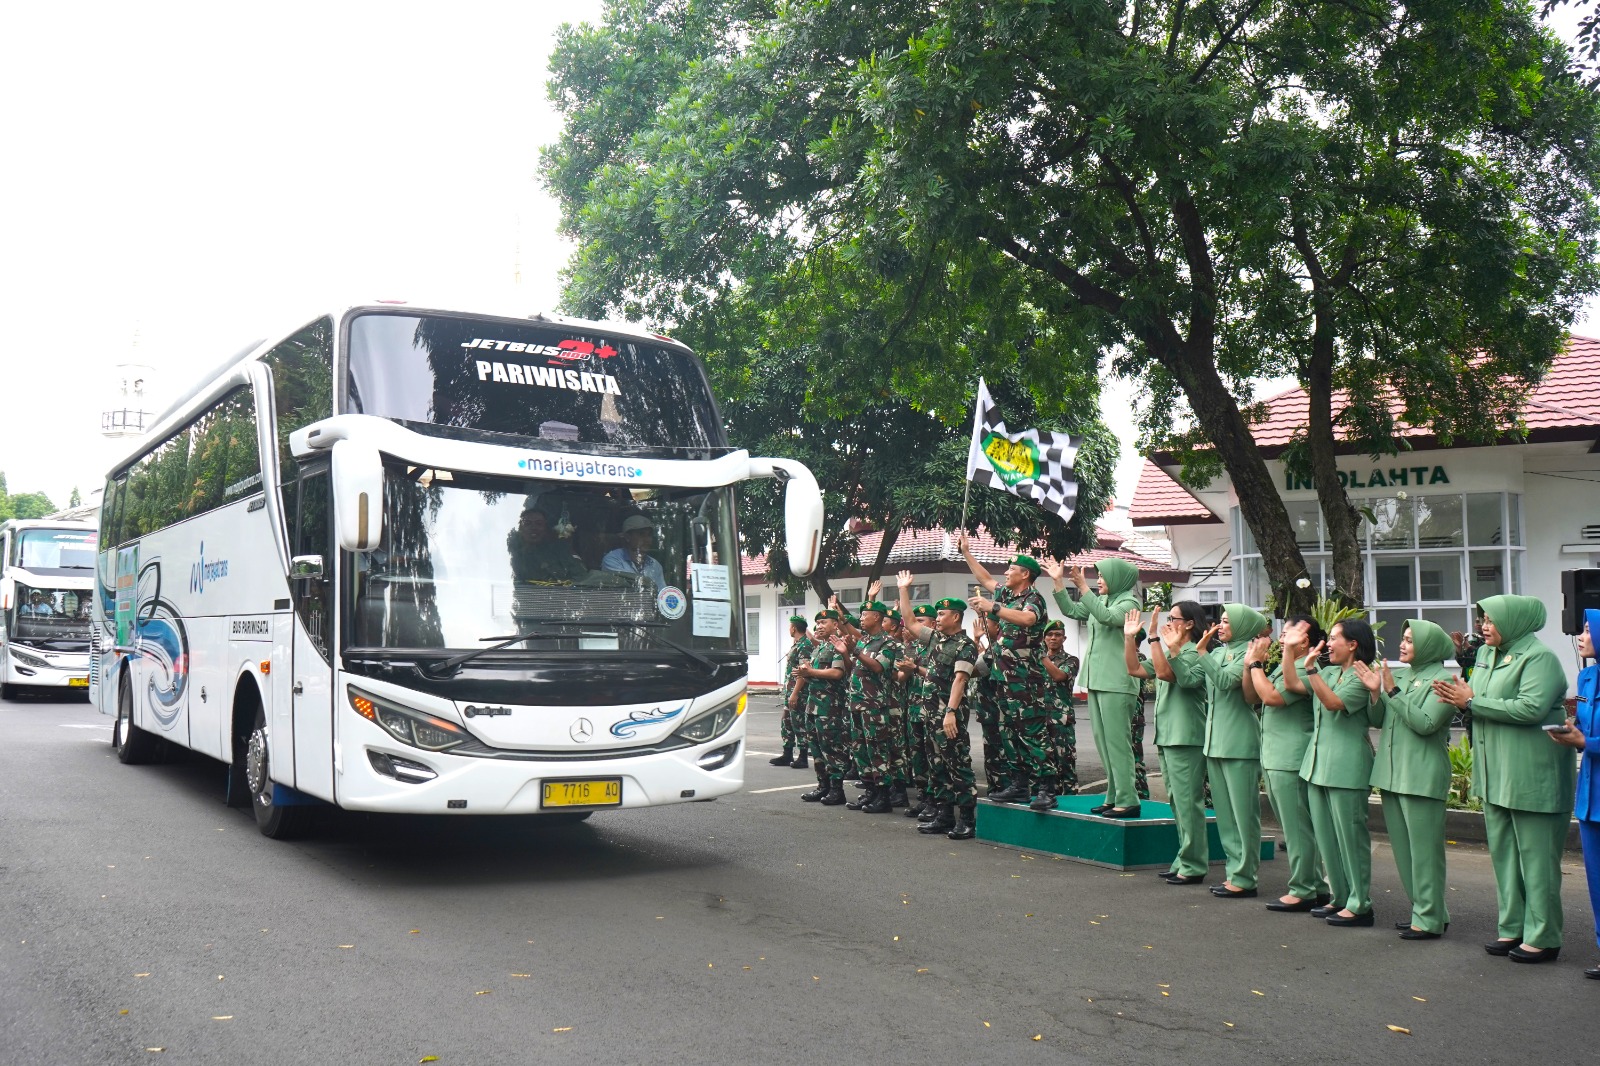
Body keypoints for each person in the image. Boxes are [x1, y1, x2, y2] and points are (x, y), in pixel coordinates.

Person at [1433, 595, 1574, 962]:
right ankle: (1512, 928)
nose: (1484, 626)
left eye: (1491, 619)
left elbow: (1531, 708)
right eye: (1482, 619)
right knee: (1506, 857)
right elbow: (1474, 700)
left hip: (1531, 775)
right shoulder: (1485, 655)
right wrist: (1462, 701)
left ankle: (1543, 936)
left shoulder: (1539, 658)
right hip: (1495, 772)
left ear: (1514, 621)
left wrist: (1470, 702)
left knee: (1538, 859)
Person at [1353, 619, 1456, 940]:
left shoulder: (1444, 679)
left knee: (1425, 853)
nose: (1403, 645)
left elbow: (1425, 723)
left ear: (1428, 646)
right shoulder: (1400, 676)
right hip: (1393, 775)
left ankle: (1428, 919)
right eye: (1404, 638)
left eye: (1410, 640)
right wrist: (1375, 693)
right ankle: (1428, 911)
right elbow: (1379, 719)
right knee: (1404, 852)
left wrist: (1392, 691)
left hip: (1422, 776)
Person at [1283, 618, 1380, 926]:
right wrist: (1288, 652)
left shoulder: (1361, 675)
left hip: (1348, 766)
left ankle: (1360, 902)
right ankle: (1340, 896)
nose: (1329, 643)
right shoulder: (1329, 672)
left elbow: (1333, 703)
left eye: (1336, 637)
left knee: (1351, 839)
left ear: (1353, 644)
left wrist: (1311, 670)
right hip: (1319, 766)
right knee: (1327, 839)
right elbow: (1292, 685)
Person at [1245, 615, 1332, 913]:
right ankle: (1315, 886)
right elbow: (1253, 694)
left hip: (1290, 757)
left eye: (1292, 630)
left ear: (1306, 640)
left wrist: (1256, 665)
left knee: (1298, 829)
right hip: (1276, 756)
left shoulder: (1308, 669)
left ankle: (1303, 888)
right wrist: (1253, 664)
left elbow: (1270, 697)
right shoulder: (1287, 667)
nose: (1283, 635)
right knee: (1294, 827)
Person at [960, 535, 1054, 810]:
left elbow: (1028, 619)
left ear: (1025, 574)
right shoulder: (1005, 594)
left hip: (1025, 680)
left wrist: (994, 608)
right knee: (1010, 733)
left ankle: (1046, 788)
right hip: (1003, 678)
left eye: (1012, 569)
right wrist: (966, 552)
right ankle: (1019, 786)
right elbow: (986, 578)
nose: (1006, 573)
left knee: (1032, 733)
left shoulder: (1033, 598)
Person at [1044, 557, 1143, 817]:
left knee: (1118, 743)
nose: (1098, 580)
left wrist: (1084, 588)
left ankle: (1128, 799)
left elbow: (1108, 618)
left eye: (1103, 576)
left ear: (1119, 578)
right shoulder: (1103, 600)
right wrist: (1058, 581)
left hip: (1118, 681)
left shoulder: (1129, 603)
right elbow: (1073, 611)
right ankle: (1113, 795)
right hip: (1098, 679)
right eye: (1097, 576)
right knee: (1104, 742)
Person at [1126, 603, 1210, 886]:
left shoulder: (1195, 652)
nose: (1167, 622)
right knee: (1177, 802)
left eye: (1173, 618)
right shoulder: (1171, 650)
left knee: (1188, 804)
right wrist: (1130, 637)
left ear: (1189, 624)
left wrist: (1156, 641)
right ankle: (1183, 859)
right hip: (1169, 735)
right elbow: (1135, 669)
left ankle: (1194, 863)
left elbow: (1173, 676)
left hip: (1187, 736)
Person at [897, 570, 980, 840]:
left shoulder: (965, 645)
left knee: (958, 765)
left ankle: (967, 819)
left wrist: (951, 712)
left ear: (955, 616)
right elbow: (910, 622)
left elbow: (960, 680)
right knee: (938, 766)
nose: (938, 618)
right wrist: (903, 590)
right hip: (930, 715)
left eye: (942, 614)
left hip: (948, 717)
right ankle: (944, 816)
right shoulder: (936, 639)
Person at [1196, 603, 1270, 897]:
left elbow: (1226, 682)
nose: (1221, 625)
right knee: (1225, 815)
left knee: (1243, 815)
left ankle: (1246, 876)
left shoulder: (1247, 653)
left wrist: (1201, 653)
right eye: (1221, 620)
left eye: (1227, 621)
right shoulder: (1216, 652)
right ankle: (1233, 872)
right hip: (1215, 741)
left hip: (1240, 742)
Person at [1547, 608, 1600, 980]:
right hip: (1590, 797)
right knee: (1596, 880)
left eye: (1586, 630)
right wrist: (1571, 733)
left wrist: (1588, 742)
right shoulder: (1587, 676)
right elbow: (1583, 727)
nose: (1580, 637)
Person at [834, 598, 902, 814]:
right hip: (856, 703)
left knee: (877, 750)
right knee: (860, 750)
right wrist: (846, 653)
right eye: (861, 615)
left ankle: (883, 796)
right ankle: (870, 792)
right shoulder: (863, 641)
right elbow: (852, 668)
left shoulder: (888, 643)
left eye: (865, 615)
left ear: (877, 618)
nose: (862, 618)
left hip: (874, 706)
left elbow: (877, 667)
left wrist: (854, 651)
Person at [793, 610, 851, 806]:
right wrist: (804, 673)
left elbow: (836, 673)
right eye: (817, 623)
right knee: (816, 747)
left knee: (831, 748)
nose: (819, 626)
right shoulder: (819, 648)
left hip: (830, 707)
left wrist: (811, 671)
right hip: (813, 705)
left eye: (824, 622)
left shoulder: (837, 646)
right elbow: (816, 674)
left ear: (835, 624)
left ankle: (837, 789)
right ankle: (822, 786)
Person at [1041, 620, 1080, 794]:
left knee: (1066, 766)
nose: (1053, 638)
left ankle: (1072, 807)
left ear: (1064, 638)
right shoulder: (1035, 661)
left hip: (1060, 722)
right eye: (1049, 635)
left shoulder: (1071, 660)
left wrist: (1042, 657)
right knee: (1045, 768)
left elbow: (1059, 675)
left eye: (1057, 635)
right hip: (1039, 721)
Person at [773, 615, 815, 768]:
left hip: (799, 692)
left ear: (794, 628)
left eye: (790, 626)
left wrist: (795, 693)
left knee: (799, 723)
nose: (789, 629)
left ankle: (803, 756)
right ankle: (787, 752)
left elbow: (804, 671)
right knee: (787, 721)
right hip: (790, 689)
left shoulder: (805, 645)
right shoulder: (798, 644)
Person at [506, 506, 588, 583]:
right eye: (527, 523)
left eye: (539, 523)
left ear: (545, 529)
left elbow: (581, 576)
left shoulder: (560, 549)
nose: (533, 527)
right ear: (521, 529)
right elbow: (516, 588)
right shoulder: (514, 557)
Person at [601, 514, 667, 589]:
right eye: (641, 534)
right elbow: (628, 588)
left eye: (649, 535)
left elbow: (661, 593)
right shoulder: (612, 560)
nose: (647, 540)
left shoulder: (655, 565)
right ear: (627, 537)